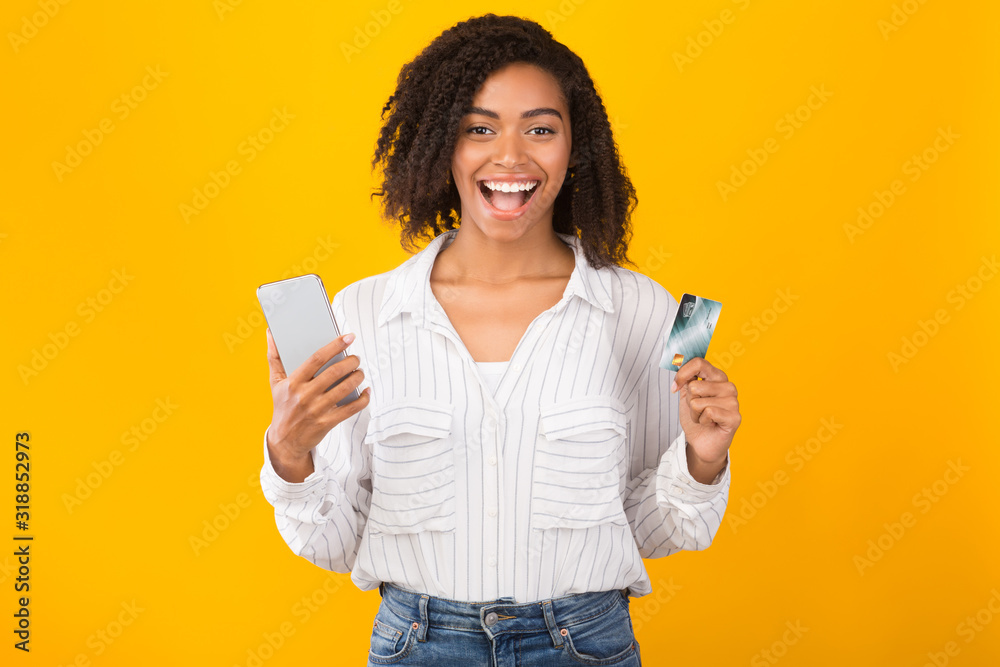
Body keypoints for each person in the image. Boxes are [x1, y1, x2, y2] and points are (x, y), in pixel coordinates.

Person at [260, 14, 740, 666]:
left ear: (577, 147)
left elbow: (659, 528)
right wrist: (292, 457)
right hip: (418, 644)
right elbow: (340, 543)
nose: (510, 156)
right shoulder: (362, 314)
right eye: (479, 128)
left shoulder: (643, 310)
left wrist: (702, 459)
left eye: (540, 128)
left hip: (585, 643)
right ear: (440, 145)